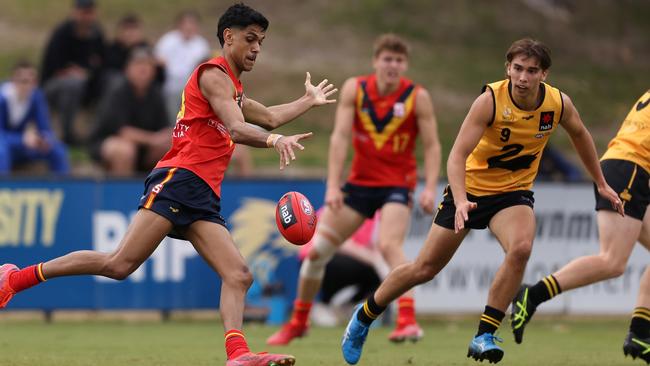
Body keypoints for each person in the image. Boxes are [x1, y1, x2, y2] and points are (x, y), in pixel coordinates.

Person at [0, 4, 337, 366]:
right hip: (180, 179)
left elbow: (268, 117)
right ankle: (15, 279)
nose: (256, 48)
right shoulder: (213, 74)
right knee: (118, 264)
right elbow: (239, 129)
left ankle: (238, 355)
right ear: (229, 37)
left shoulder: (233, 88)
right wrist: (274, 142)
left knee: (238, 275)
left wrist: (307, 100)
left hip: (202, 194)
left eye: (261, 42)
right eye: (250, 39)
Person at [339, 38, 623, 365]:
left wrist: (600, 182)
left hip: (513, 194)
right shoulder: (489, 100)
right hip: (470, 190)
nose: (523, 78)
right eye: (517, 69)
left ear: (544, 74)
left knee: (521, 248)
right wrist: (460, 201)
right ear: (508, 68)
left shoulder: (557, 104)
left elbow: (581, 136)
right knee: (423, 268)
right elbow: (456, 156)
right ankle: (364, 315)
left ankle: (484, 335)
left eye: (532, 71)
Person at [267, 33, 441, 346]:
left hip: (397, 187)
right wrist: (333, 186)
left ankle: (407, 320)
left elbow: (431, 145)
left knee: (389, 246)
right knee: (316, 253)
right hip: (359, 186)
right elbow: (339, 138)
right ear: (376, 61)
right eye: (387, 59)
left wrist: (429, 187)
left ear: (405, 65)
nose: (392, 65)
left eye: (398, 60)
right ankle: (299, 322)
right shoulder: (356, 89)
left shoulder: (417, 97)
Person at [510, 90, 649, 362]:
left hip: (630, 166)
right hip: (631, 168)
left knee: (613, 260)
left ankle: (641, 333)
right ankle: (533, 294)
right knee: (612, 261)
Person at [88, 47, 171, 176]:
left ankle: (158, 193)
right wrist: (153, 139)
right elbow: (123, 131)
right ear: (127, 69)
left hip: (145, 146)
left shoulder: (156, 93)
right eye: (138, 64)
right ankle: (121, 195)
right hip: (108, 141)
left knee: (171, 147)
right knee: (124, 150)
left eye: (148, 65)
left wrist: (165, 137)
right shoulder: (117, 91)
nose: (143, 69)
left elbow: (165, 128)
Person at [40, 0, 106, 145]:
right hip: (53, 86)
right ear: (75, 12)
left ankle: (101, 134)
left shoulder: (96, 34)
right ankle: (68, 133)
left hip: (86, 84)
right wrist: (74, 72)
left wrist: (86, 72)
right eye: (83, 12)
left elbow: (102, 63)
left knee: (108, 80)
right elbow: (53, 68)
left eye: (89, 12)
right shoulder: (62, 33)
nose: (86, 17)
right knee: (73, 83)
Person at [0, 61, 70, 175]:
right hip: (6, 143)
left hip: (23, 145)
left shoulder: (36, 97)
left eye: (32, 82)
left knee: (59, 150)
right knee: (1, 151)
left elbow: (45, 128)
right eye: (24, 81)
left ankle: (62, 189)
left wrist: (43, 139)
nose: (28, 86)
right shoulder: (2, 98)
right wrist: (21, 139)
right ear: (13, 81)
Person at [155, 10, 211, 123]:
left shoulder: (201, 44)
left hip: (192, 86)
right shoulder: (168, 40)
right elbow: (158, 60)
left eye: (192, 23)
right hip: (169, 85)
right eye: (186, 23)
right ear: (179, 24)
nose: (189, 27)